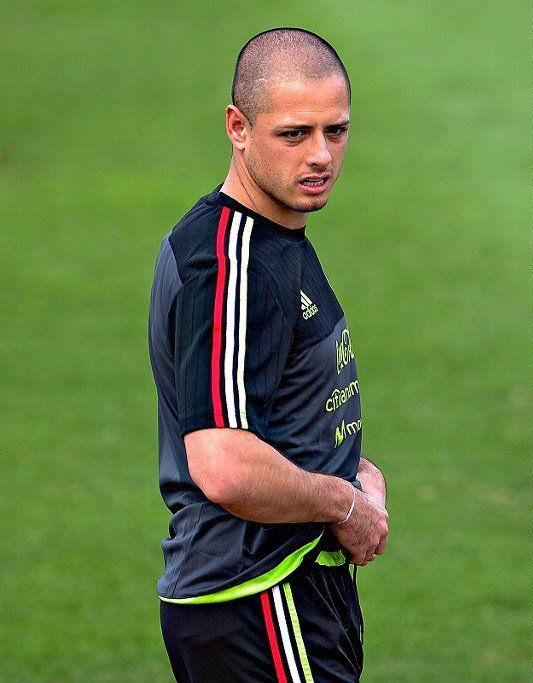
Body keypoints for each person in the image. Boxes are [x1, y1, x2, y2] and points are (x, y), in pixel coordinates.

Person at [147, 28, 388, 682]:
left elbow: (269, 407)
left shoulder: (270, 238)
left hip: (279, 589)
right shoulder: (231, 266)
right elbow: (223, 462)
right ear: (238, 127)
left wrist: (351, 466)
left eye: (335, 131)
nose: (320, 156)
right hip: (259, 593)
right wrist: (343, 501)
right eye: (294, 134)